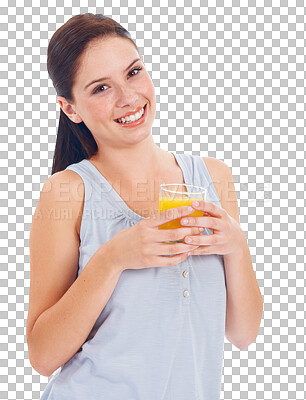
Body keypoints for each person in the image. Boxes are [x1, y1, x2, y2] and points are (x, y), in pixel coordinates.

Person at [27, 13, 263, 400]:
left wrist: (237, 247)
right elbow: (42, 356)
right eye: (101, 88)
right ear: (71, 109)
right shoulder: (67, 192)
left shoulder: (213, 178)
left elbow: (243, 334)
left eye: (133, 72)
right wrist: (113, 258)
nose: (128, 97)